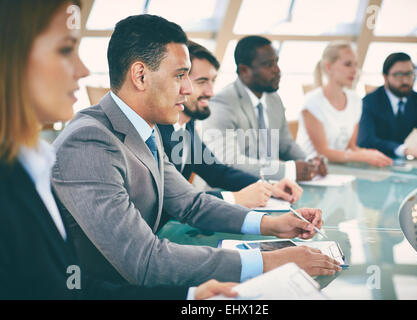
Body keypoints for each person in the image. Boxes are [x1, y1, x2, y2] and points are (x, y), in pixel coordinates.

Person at [51, 14, 342, 289]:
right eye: (180, 75)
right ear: (140, 76)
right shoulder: (90, 141)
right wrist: (271, 260)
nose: (188, 89)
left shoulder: (143, 128)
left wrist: (273, 224)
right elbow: (145, 260)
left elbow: (191, 204)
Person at [0, 0, 238, 300]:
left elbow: (73, 286)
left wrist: (190, 298)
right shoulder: (84, 141)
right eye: (64, 50)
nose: (83, 69)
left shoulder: (30, 164)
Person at [158, 41, 303, 212]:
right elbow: (176, 198)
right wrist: (235, 198)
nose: (211, 92)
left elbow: (217, 172)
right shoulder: (158, 132)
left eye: (212, 81)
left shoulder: (186, 126)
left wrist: (268, 187)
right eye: (202, 81)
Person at [201, 35, 327, 182]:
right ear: (244, 70)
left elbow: (285, 145)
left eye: (276, 62)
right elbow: (231, 161)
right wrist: (287, 171)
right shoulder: (223, 103)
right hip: (238, 190)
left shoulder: (273, 99)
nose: (277, 70)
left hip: (276, 188)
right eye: (268, 65)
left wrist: (310, 162)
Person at [296, 41, 393, 167]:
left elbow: (351, 147)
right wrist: (362, 156)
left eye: (355, 65)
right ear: (329, 67)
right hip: (312, 172)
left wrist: (372, 155)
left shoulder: (355, 100)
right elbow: (323, 153)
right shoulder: (312, 103)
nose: (354, 70)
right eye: (348, 65)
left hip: (341, 172)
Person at [357, 52, 417, 158]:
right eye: (398, 75)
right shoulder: (369, 102)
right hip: (372, 164)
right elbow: (365, 141)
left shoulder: (416, 99)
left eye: (409, 74)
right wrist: (406, 150)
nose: (405, 80)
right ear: (385, 76)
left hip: (398, 165)